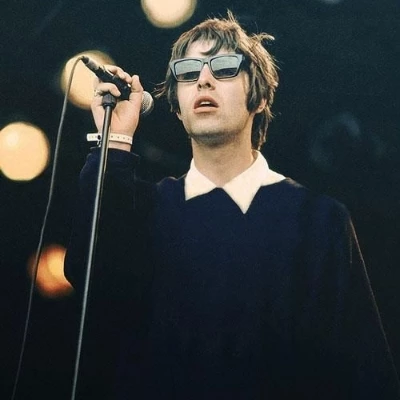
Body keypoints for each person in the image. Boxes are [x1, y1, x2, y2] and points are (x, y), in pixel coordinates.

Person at [65, 12, 400, 400]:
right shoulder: (144, 211)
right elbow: (89, 274)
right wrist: (116, 141)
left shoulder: (319, 220)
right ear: (176, 106)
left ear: (259, 96)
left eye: (223, 67)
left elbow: (363, 372)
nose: (203, 79)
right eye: (188, 72)